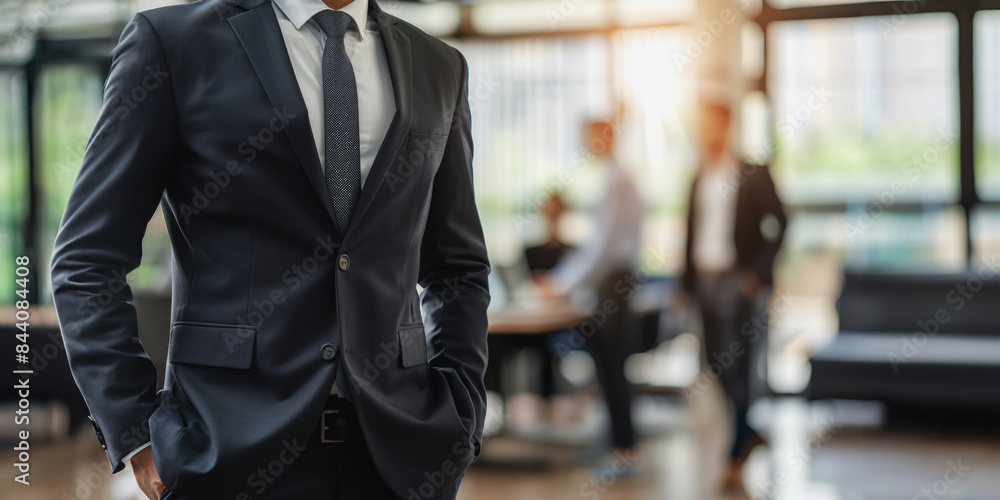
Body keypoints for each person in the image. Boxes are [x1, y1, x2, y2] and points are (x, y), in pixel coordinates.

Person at [49, 0, 489, 498]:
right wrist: (134, 431)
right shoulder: (173, 43)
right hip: (226, 450)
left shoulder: (439, 63)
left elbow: (458, 268)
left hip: (403, 453)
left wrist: (463, 411)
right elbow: (87, 258)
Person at [680, 101, 787, 491]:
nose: (707, 134)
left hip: (739, 283)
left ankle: (734, 455)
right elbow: (691, 233)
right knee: (714, 362)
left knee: (740, 367)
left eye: (713, 126)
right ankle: (749, 431)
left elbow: (782, 221)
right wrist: (685, 285)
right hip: (705, 284)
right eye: (701, 126)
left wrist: (757, 274)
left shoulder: (753, 173)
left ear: (727, 127)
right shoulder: (698, 176)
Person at [538, 119, 644, 472]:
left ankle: (624, 449)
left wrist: (560, 284)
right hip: (614, 282)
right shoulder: (616, 178)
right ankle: (619, 444)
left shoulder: (617, 181)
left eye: (590, 138)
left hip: (614, 282)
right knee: (610, 365)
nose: (588, 145)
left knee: (612, 366)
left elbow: (600, 250)